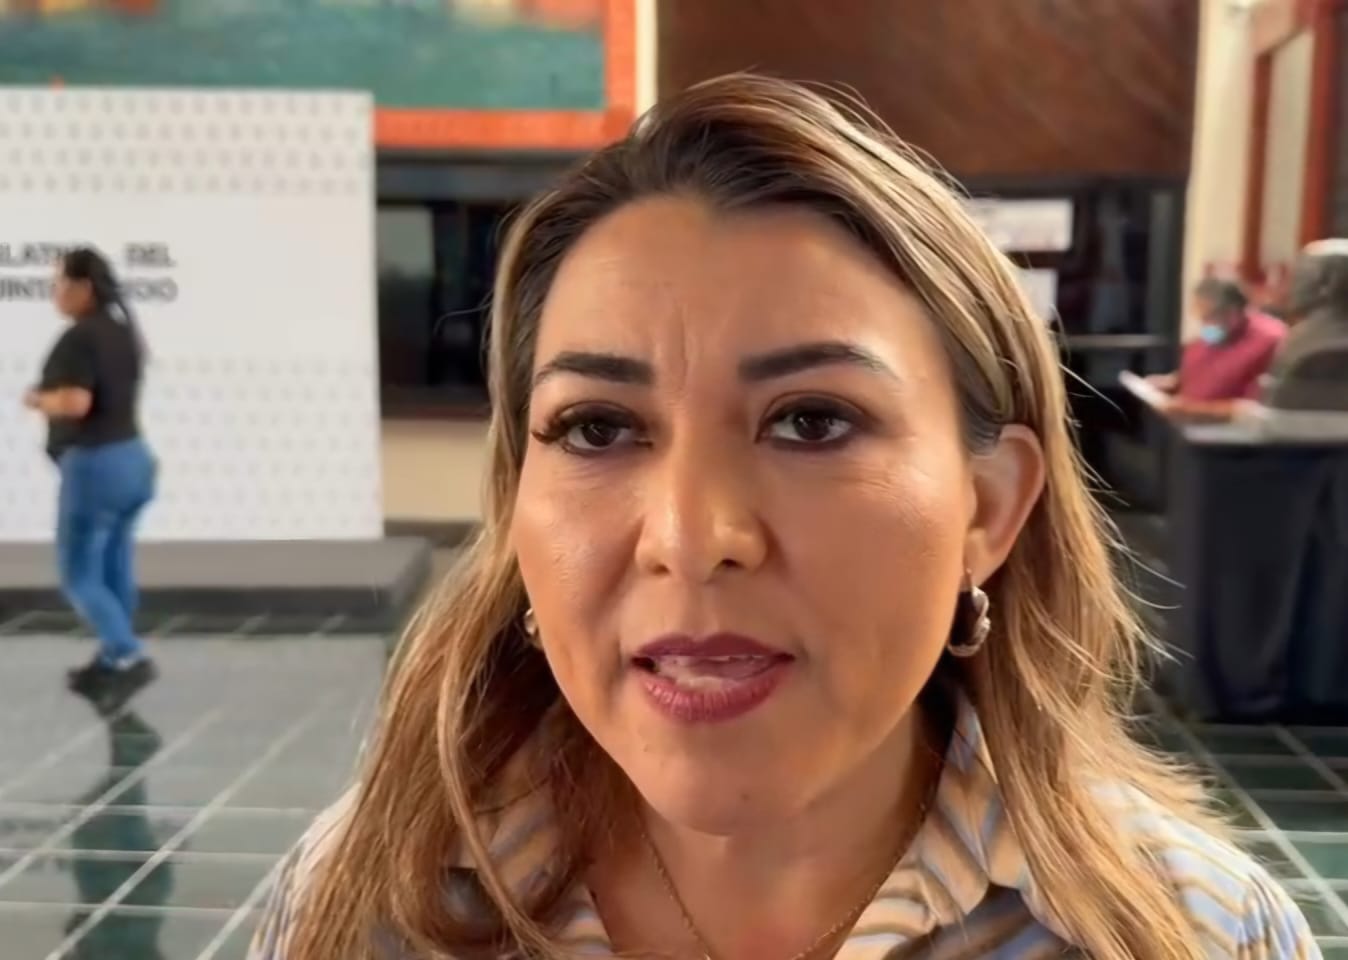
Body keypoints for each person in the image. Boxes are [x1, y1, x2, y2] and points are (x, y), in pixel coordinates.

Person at [251, 76, 1315, 960]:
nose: (689, 537)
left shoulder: (1197, 934)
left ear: (988, 509)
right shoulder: (365, 906)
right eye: (596, 427)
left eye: (811, 421)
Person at [24, 247, 158, 709]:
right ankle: (111, 659)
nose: (54, 292)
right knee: (114, 564)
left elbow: (76, 403)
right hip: (133, 459)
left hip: (96, 466)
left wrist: (38, 400)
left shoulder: (79, 338)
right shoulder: (122, 332)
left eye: (59, 283)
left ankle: (127, 653)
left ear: (83, 288)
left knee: (79, 573)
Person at [1147, 278, 1285, 419]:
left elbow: (1253, 410)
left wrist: (1191, 410)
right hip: (1183, 421)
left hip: (1219, 429)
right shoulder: (1211, 336)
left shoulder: (1270, 340)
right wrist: (1172, 382)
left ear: (1232, 314)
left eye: (1207, 317)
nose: (1204, 325)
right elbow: (1201, 369)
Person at [1261, 238, 1348, 412]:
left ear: (1326, 284)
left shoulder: (1329, 349)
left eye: (1299, 277)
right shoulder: (1303, 334)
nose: (1289, 286)